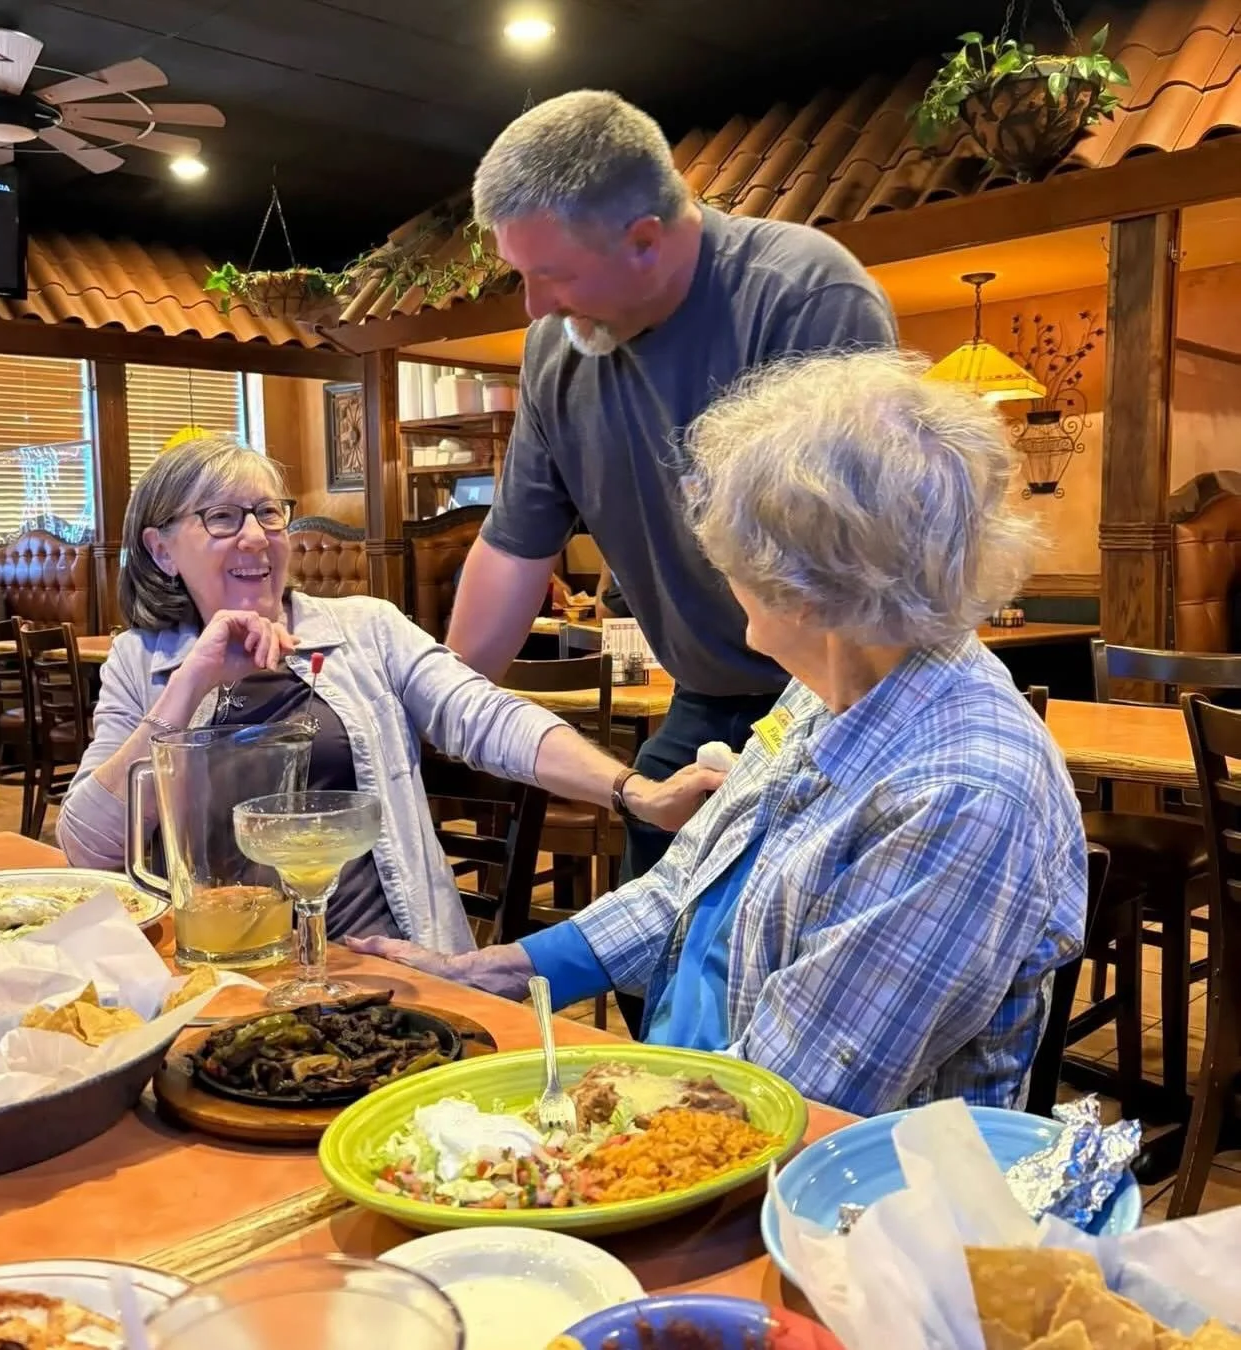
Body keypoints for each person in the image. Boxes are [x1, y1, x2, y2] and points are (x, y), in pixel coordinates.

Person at [350, 351, 1088, 1117]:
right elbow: (684, 884)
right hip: (690, 1100)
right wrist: (494, 972)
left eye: (734, 553)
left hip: (806, 1176)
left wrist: (558, 1126)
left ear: (804, 589)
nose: (720, 571)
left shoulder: (962, 794)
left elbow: (786, 1102)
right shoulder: (828, 683)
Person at [443, 90, 899, 905]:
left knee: (763, 953)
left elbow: (855, 575)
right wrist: (437, 712)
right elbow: (513, 549)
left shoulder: (802, 298)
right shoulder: (556, 350)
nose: (535, 305)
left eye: (552, 275)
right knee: (647, 936)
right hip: (704, 699)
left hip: (844, 702)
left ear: (645, 240)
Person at [56, 437, 722, 951]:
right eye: (222, 517)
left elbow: (484, 715)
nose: (255, 536)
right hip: (226, 965)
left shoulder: (367, 629)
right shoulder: (140, 663)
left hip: (386, 959)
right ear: (162, 550)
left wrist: (634, 791)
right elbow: (86, 847)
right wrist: (192, 683)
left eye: (268, 512)